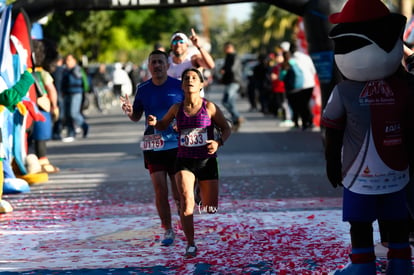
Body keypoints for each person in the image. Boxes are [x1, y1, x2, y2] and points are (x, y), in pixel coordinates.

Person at [322, 0, 414, 273]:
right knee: (396, 221)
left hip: (358, 174)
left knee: (361, 223)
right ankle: (400, 264)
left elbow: (332, 130)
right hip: (397, 173)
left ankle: (363, 267)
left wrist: (331, 162)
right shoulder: (405, 88)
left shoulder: (344, 91)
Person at [147, 68, 231, 258]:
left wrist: (218, 143)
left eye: (194, 78)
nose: (190, 81)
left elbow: (225, 128)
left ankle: (201, 193)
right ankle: (191, 244)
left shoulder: (209, 107)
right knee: (186, 202)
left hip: (206, 161)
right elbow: (163, 125)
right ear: (182, 85)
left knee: (210, 207)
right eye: (186, 78)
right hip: (184, 160)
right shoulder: (176, 109)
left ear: (201, 84)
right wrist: (155, 123)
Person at [120, 50, 183, 247]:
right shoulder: (143, 88)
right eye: (153, 62)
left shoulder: (178, 86)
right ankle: (167, 229)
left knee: (179, 190)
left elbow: (189, 111)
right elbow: (137, 116)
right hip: (153, 143)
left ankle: (185, 224)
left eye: (160, 62)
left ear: (167, 65)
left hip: (175, 143)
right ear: (149, 66)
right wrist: (130, 112)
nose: (157, 65)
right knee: (159, 189)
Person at [30, 39, 60, 173]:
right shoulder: (43, 73)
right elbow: (52, 90)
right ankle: (42, 160)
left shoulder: (25, 71)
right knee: (41, 136)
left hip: (27, 106)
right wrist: (55, 106)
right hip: (41, 107)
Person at [167, 28, 215, 97]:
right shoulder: (167, 62)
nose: (178, 44)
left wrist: (198, 46)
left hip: (195, 104)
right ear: (171, 46)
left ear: (187, 44)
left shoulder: (193, 59)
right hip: (176, 104)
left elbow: (211, 65)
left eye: (181, 41)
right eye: (174, 42)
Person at [281, 41, 316, 130]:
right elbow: (313, 70)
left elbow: (283, 75)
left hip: (299, 86)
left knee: (301, 105)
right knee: (306, 103)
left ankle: (305, 122)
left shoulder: (292, 60)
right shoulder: (306, 57)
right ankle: (310, 121)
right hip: (310, 83)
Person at [61, 54, 89, 142]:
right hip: (67, 93)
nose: (67, 62)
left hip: (76, 93)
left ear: (74, 61)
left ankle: (84, 126)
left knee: (74, 113)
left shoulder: (78, 70)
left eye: (69, 60)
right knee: (67, 114)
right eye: (66, 60)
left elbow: (85, 82)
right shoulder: (65, 71)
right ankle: (71, 133)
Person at [220, 41, 243, 131]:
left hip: (234, 81)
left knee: (227, 101)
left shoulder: (235, 57)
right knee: (227, 102)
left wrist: (224, 70)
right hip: (229, 82)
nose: (225, 50)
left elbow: (232, 69)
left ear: (230, 48)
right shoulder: (228, 57)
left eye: (226, 48)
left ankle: (237, 117)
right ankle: (236, 120)